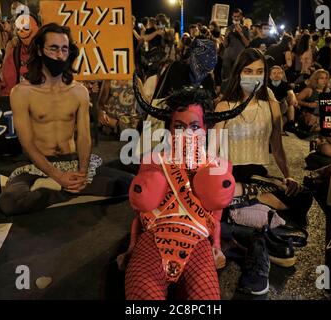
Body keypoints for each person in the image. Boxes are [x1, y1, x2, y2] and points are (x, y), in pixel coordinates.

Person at [122, 83, 251, 300]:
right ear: (169, 128)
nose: (186, 133)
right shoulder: (152, 161)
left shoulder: (217, 166)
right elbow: (139, 214)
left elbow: (216, 218)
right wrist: (132, 246)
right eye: (179, 126)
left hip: (197, 245)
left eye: (194, 126)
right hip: (154, 239)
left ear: (204, 129)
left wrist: (216, 246)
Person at [0, 23, 132, 216]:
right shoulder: (21, 93)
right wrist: (58, 176)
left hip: (73, 162)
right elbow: (27, 144)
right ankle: (56, 189)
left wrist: (83, 172)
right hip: (37, 166)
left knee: (130, 185)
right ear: (40, 51)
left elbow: (84, 137)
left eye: (64, 49)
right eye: (53, 48)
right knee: (11, 202)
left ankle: (63, 189)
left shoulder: (79, 92)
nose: (60, 54)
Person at [214, 48, 312, 295]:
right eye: (248, 71)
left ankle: (244, 201)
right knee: (218, 197)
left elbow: (277, 146)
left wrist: (287, 176)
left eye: (259, 72)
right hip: (230, 174)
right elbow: (213, 152)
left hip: (258, 178)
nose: (253, 76)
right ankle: (239, 202)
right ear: (238, 73)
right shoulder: (224, 105)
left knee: (302, 196)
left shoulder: (271, 105)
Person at [0, 13, 40, 95]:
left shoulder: (47, 51)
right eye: (19, 28)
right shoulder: (15, 54)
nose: (22, 31)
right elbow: (8, 88)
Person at [221, 8, 250, 91]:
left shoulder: (245, 29)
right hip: (228, 58)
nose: (236, 18)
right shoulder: (228, 28)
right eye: (234, 16)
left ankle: (238, 94)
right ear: (232, 17)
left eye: (238, 16)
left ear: (241, 17)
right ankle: (227, 95)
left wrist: (241, 33)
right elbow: (225, 45)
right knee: (228, 79)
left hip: (239, 57)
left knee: (239, 77)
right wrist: (226, 36)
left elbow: (247, 44)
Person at [296, 69, 329, 135]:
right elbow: (295, 100)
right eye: (322, 78)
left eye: (326, 78)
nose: (324, 81)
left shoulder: (327, 93)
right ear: (316, 79)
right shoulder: (309, 90)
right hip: (307, 115)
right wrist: (308, 104)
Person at [267, 65, 298, 132]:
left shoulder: (285, 84)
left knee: (290, 104)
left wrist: (293, 98)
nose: (276, 75)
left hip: (282, 105)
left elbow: (291, 93)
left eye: (279, 73)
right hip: (269, 104)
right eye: (274, 73)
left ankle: (291, 124)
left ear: (282, 75)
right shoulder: (266, 85)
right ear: (270, 76)